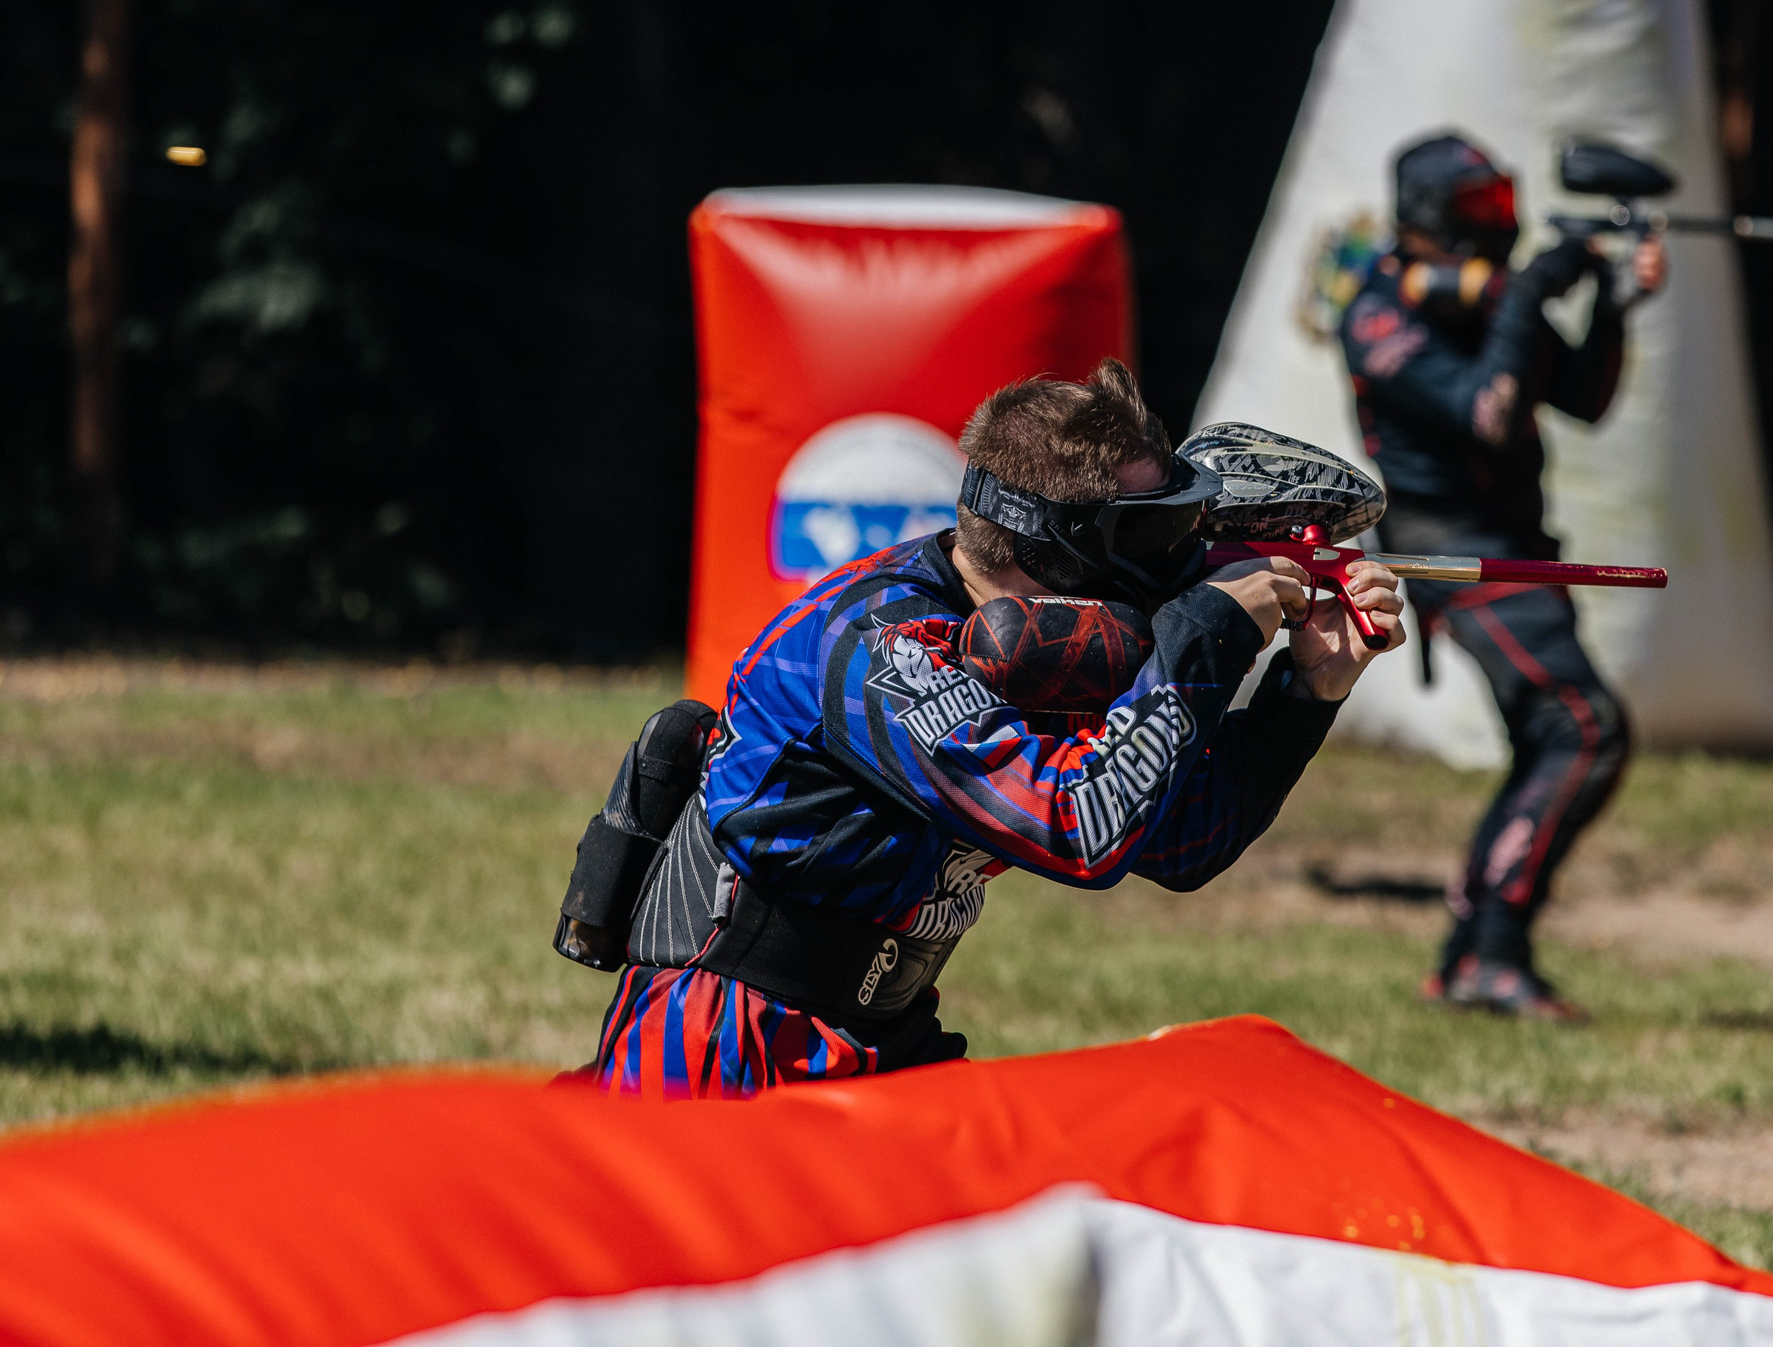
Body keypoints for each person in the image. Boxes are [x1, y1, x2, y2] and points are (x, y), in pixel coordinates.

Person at [588, 360, 1404, 1095]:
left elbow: (1181, 842)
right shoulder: (881, 645)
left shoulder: (1035, 639)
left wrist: (1304, 693)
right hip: (730, 1045)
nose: (1176, 559)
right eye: (1152, 534)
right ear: (1058, 546)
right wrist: (1203, 636)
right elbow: (1078, 830)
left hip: (880, 1035)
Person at [1338, 132, 1666, 1021]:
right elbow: (1488, 413)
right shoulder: (1376, 311)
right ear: (1426, 219)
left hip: (1515, 546)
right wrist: (1526, 295)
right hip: (1453, 553)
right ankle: (1489, 950)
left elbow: (1583, 397)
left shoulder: (1484, 301)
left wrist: (1613, 299)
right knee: (1581, 726)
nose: (1499, 229)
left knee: (1554, 739)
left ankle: (1477, 956)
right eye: (1479, 211)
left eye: (1504, 207)